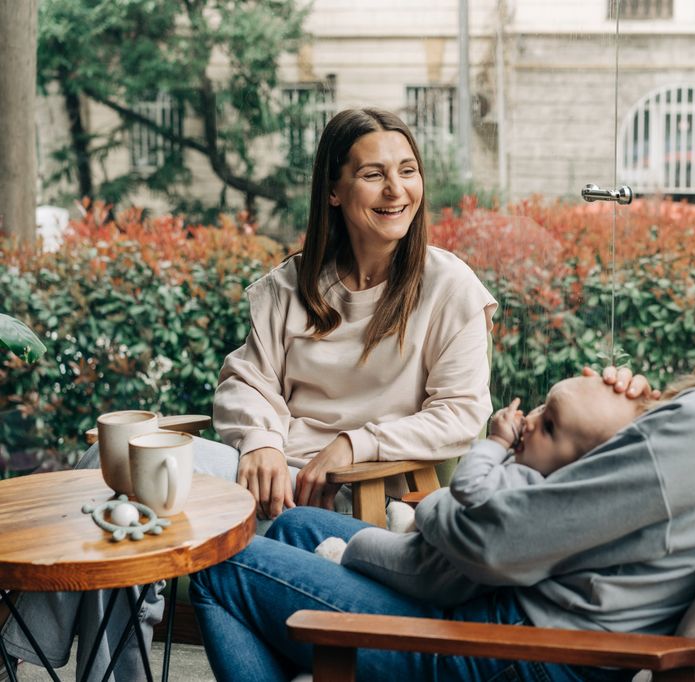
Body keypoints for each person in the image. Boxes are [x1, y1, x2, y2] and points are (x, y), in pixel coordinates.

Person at [190, 178, 695, 682]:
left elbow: (489, 541)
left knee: (219, 568)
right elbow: (610, 515)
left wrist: (429, 508)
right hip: (521, 621)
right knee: (292, 529)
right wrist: (623, 424)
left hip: (508, 650)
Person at [1, 108, 497, 680]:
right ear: (333, 191)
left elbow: (461, 413)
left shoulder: (449, 286)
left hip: (353, 501)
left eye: (408, 171)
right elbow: (245, 380)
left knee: (135, 496)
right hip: (265, 482)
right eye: (373, 174)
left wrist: (353, 444)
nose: (396, 190)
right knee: (114, 464)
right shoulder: (293, 285)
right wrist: (260, 442)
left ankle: (17, 649)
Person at [315, 375, 648, 606]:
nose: (532, 420)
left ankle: (341, 559)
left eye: (548, 426)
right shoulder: (541, 479)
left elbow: (468, 485)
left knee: (364, 542)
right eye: (542, 407)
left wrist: (498, 441)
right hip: (443, 555)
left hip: (428, 571)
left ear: (578, 466)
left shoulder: (526, 486)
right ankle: (407, 529)